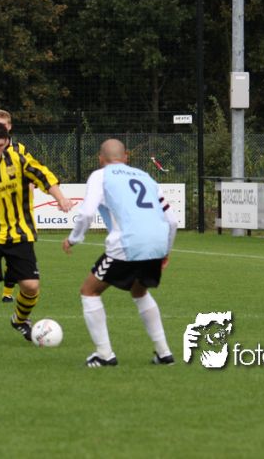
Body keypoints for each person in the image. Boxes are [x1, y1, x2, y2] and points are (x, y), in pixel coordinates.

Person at [0, 120, 72, 347]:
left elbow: (43, 175)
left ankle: (19, 320)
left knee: (31, 286)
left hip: (20, 233)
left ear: (7, 142)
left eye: (0, 145)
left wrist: (61, 198)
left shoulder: (17, 160)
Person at [62, 139, 178, 367]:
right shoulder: (147, 177)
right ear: (126, 157)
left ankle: (104, 354)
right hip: (156, 243)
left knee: (89, 291)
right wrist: (165, 251)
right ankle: (164, 353)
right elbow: (172, 221)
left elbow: (86, 213)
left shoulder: (100, 175)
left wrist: (74, 238)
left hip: (127, 243)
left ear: (100, 159)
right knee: (139, 291)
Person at [0, 109, 29, 303]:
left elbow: (29, 173)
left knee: (14, 257)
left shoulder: (20, 150)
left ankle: (7, 292)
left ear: (10, 127)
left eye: (4, 125)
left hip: (15, 212)